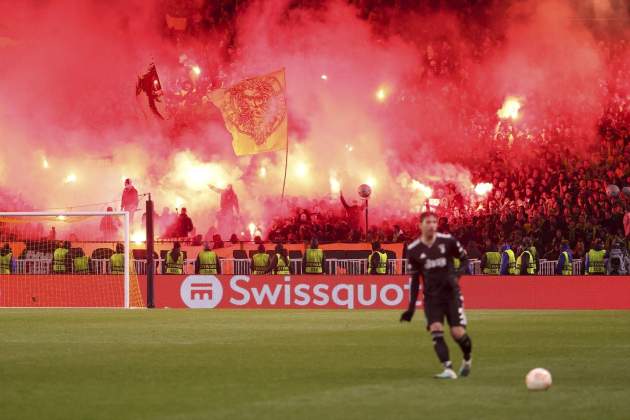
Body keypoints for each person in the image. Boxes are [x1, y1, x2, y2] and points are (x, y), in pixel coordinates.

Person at [401, 211, 472, 379]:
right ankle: (448, 368)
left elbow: (464, 259)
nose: (432, 225)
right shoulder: (413, 249)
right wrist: (411, 308)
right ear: (420, 225)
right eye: (428, 222)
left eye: (434, 222)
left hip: (451, 294)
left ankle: (467, 359)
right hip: (432, 298)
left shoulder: (448, 241)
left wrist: (457, 275)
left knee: (457, 333)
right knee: (436, 329)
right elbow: (415, 280)